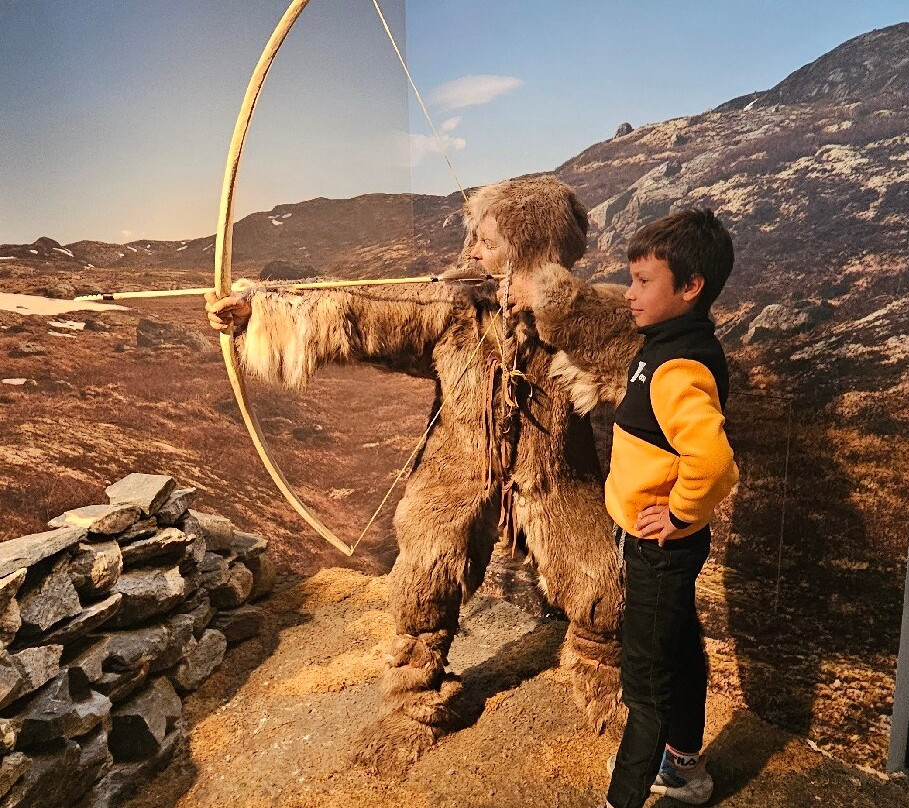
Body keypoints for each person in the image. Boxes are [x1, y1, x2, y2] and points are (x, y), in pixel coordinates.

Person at [203, 176, 626, 772]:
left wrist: (556, 307)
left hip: (558, 478)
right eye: (474, 238)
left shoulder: (585, 313)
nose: (471, 251)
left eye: (488, 242)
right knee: (425, 571)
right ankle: (415, 698)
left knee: (602, 582)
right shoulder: (456, 306)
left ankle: (606, 685)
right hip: (457, 469)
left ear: (530, 250)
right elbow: (361, 312)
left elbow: (625, 355)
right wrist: (257, 310)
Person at [511, 209, 739, 808]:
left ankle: (626, 795)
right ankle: (685, 768)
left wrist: (680, 513)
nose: (630, 294)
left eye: (643, 282)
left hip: (659, 548)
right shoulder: (666, 344)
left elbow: (715, 462)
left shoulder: (676, 369)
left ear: (691, 287)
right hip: (661, 545)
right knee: (678, 651)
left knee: (644, 683)